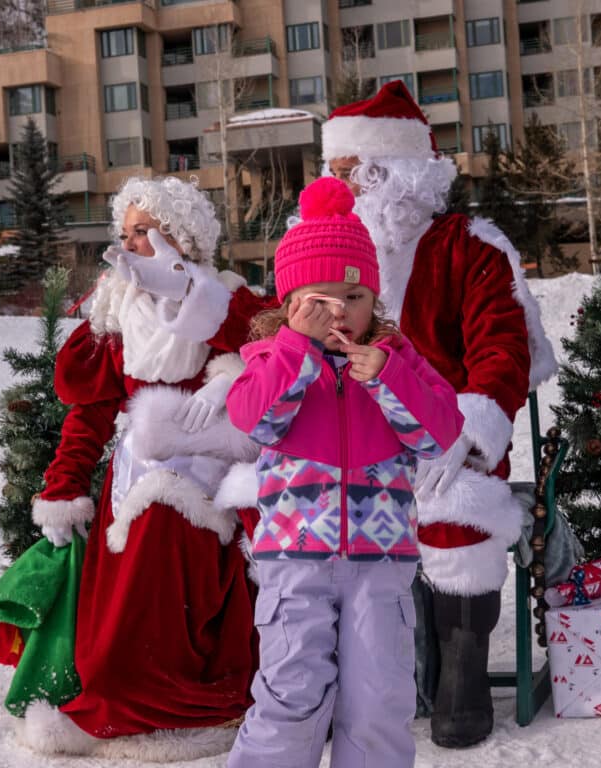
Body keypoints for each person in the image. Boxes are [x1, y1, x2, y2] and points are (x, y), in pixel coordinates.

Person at [0, 175, 273, 760]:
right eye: (126, 232)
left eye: (145, 232)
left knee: (175, 590)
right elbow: (90, 414)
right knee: (122, 595)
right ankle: (121, 693)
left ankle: (171, 699)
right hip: (133, 479)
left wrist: (191, 291)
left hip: (210, 479)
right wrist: (63, 485)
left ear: (181, 237)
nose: (130, 245)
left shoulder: (229, 298)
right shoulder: (117, 310)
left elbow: (271, 351)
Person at [321, 81, 558, 748]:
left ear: (397, 172)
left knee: (457, 510)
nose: (343, 188)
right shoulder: (324, 254)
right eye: (334, 172)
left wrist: (469, 432)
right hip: (349, 438)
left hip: (449, 440)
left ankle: (462, 667)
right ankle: (344, 670)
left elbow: (502, 350)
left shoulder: (470, 246)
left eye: (353, 171)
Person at [224, 176, 464, 768]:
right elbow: (254, 420)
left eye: (353, 298)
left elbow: (439, 435)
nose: (340, 312)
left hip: (380, 565)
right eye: (319, 300)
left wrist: (388, 376)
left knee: (380, 700)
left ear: (373, 299)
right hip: (293, 562)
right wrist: (296, 351)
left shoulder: (397, 361)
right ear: (290, 304)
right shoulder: (269, 362)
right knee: (290, 694)